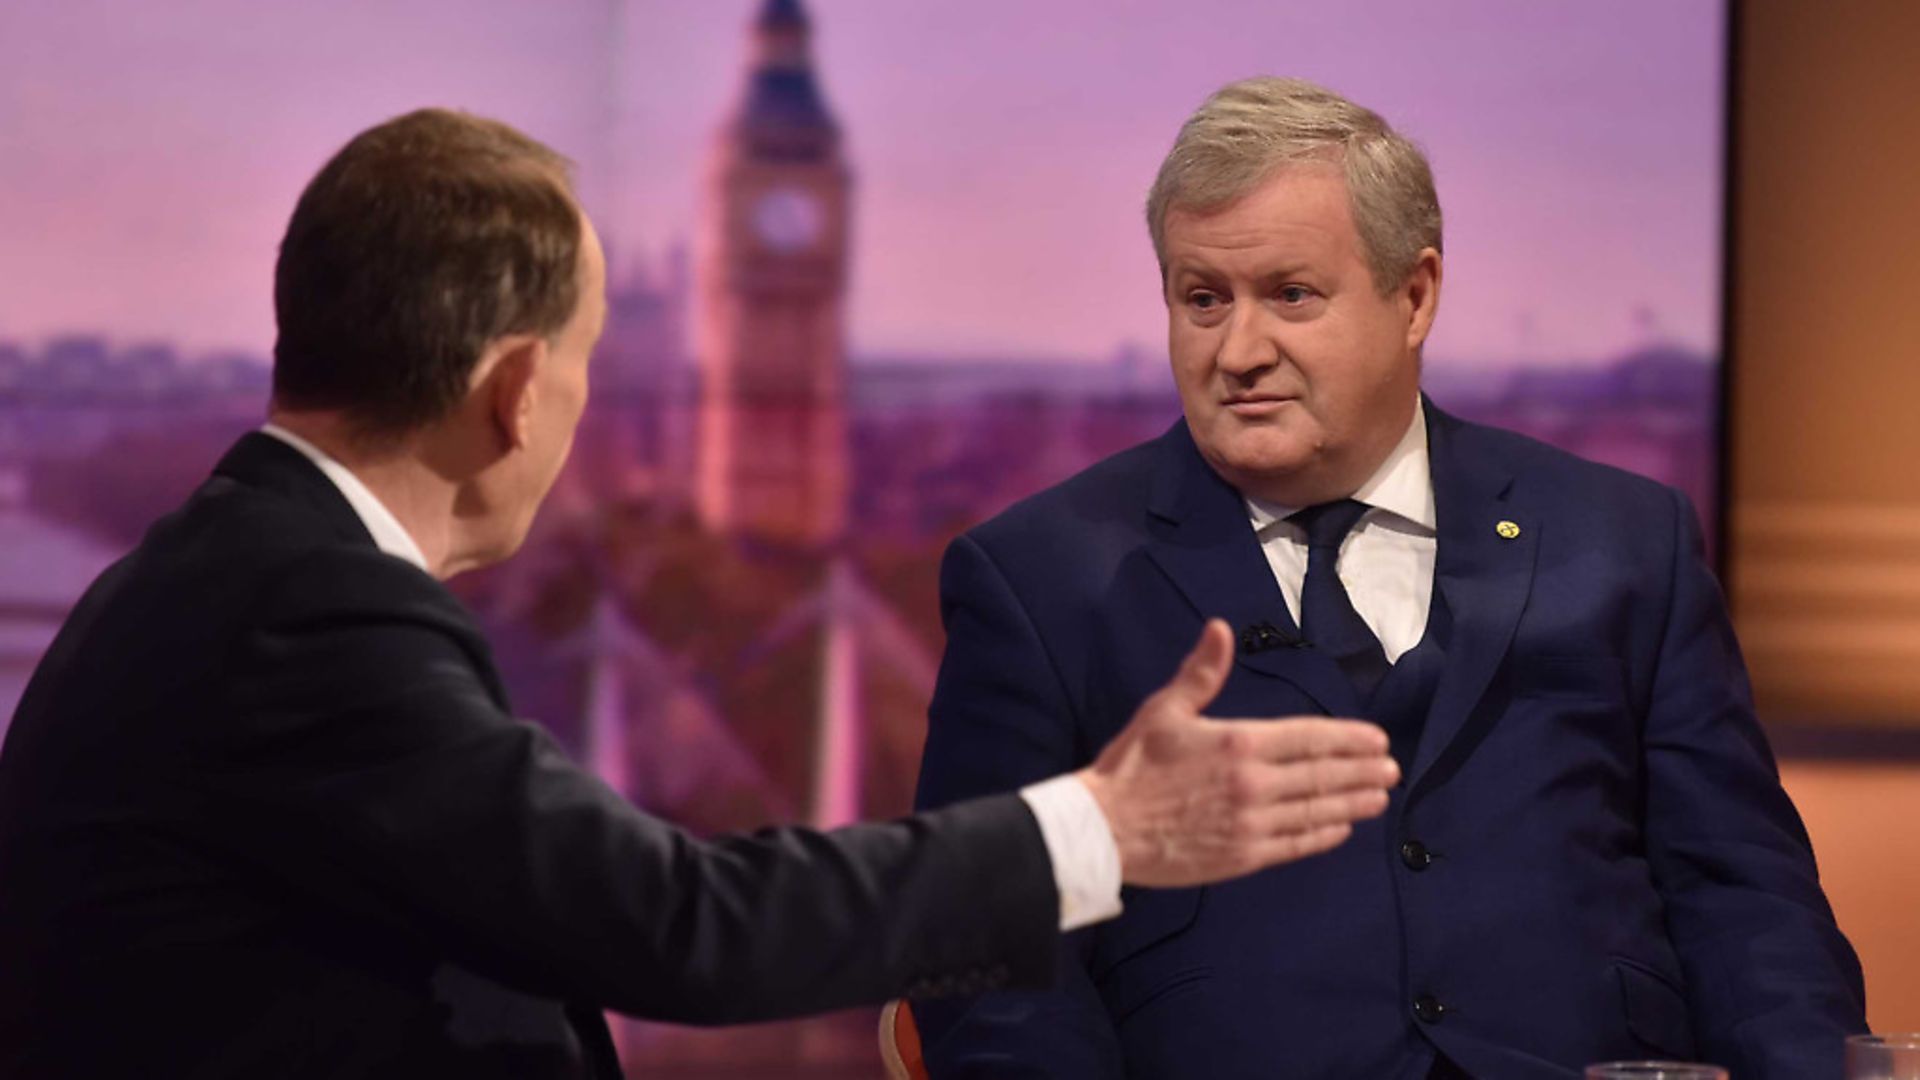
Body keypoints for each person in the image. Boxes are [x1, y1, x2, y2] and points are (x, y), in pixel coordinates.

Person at [0, 109, 1403, 1078]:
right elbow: (671, 924)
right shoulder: (304, 615)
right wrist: (1098, 830)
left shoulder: (213, 577)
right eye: (587, 360)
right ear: (508, 390)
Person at [912, 77, 1867, 1079]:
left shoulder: (1624, 542)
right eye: (1203, 300)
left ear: (1414, 296)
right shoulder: (1040, 580)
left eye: (1290, 295)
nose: (1239, 351)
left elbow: (1746, 904)